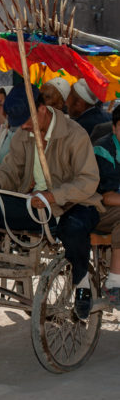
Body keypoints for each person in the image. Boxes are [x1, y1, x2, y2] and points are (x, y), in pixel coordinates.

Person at [0, 83, 103, 320]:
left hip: (73, 204)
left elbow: (88, 180)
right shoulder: (23, 134)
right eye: (21, 123)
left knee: (75, 230)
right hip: (34, 206)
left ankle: (82, 284)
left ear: (42, 109)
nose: (25, 127)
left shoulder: (74, 133)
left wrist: (52, 196)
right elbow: (10, 170)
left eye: (28, 121)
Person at [94, 104, 120, 306]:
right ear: (114, 128)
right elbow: (107, 197)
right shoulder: (104, 150)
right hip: (95, 211)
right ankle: (113, 283)